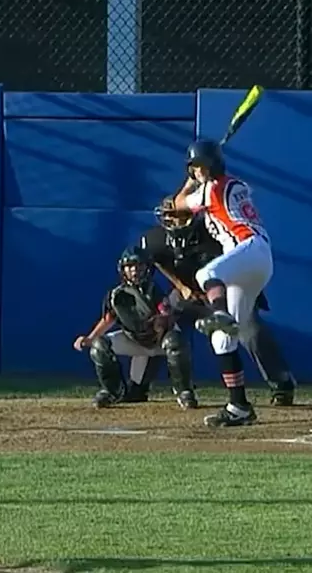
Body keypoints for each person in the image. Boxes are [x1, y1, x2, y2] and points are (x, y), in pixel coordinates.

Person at [141, 195, 295, 406]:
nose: (174, 220)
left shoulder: (213, 233)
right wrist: (181, 286)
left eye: (179, 215)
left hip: (227, 289)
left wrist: (216, 293)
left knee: (250, 330)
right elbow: (157, 260)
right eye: (170, 216)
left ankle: (281, 383)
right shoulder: (156, 238)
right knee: (158, 323)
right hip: (190, 292)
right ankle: (143, 385)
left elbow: (236, 261)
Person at [170, 139, 274, 426]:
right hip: (252, 261)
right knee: (223, 339)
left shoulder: (213, 187)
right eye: (194, 167)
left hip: (250, 248)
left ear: (214, 165)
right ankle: (239, 406)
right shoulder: (230, 185)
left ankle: (220, 313)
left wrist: (190, 182)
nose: (198, 171)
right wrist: (197, 175)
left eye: (201, 166)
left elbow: (177, 205)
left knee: (205, 275)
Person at [73, 246, 195, 409]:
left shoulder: (155, 290)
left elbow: (166, 313)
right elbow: (108, 319)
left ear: (147, 268)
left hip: (159, 341)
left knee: (175, 340)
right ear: (122, 269)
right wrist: (89, 338)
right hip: (135, 340)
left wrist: (163, 321)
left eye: (139, 266)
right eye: (129, 266)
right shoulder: (116, 294)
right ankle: (112, 391)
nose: (134, 270)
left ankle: (183, 391)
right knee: (99, 345)